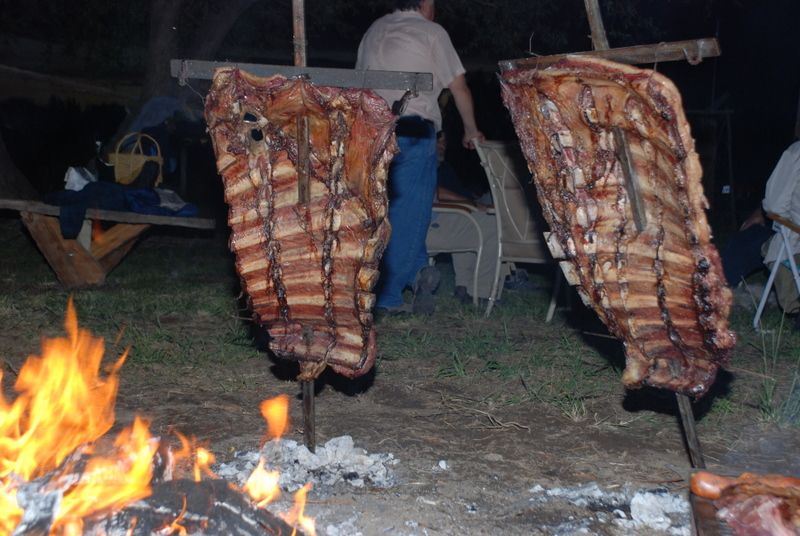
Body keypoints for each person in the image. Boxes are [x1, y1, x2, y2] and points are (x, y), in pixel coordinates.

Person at [356, 0, 485, 316]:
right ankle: (387, 296)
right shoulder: (431, 32)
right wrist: (471, 130)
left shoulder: (373, 30)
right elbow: (459, 87)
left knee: (381, 210)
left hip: (369, 131)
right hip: (412, 130)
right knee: (408, 212)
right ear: (426, 3)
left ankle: (417, 273)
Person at [721, 139, 800, 317]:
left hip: (795, 242)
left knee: (747, 240)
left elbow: (773, 206)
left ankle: (721, 286)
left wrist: (773, 216)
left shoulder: (796, 153)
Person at [427, 131, 505, 305]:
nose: (442, 145)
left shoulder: (440, 168)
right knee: (492, 224)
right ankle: (482, 293)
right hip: (424, 230)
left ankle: (463, 287)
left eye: (444, 142)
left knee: (473, 218)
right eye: (437, 141)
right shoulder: (418, 165)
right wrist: (469, 204)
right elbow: (435, 193)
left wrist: (472, 202)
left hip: (437, 220)